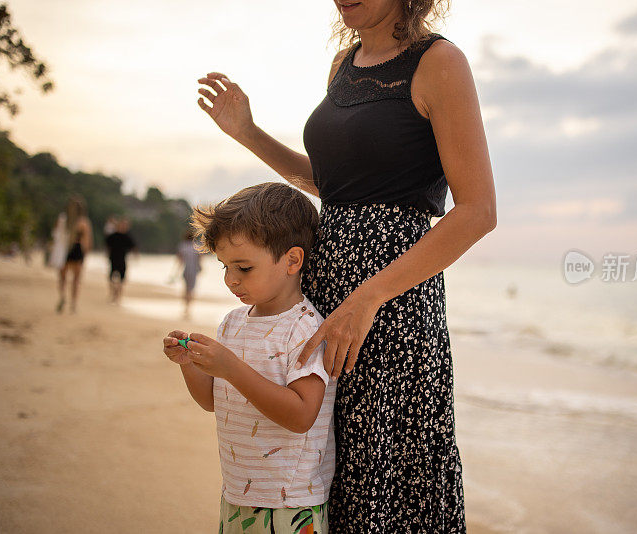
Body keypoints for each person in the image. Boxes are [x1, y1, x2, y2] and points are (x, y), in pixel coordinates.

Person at [196, 1, 497, 530]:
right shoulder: (343, 63)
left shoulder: (439, 62)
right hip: (322, 286)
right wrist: (247, 131)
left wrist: (367, 297)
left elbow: (477, 211)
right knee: (313, 464)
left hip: (390, 304)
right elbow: (332, 183)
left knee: (380, 477)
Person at [162, 182, 335, 534]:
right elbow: (213, 401)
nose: (230, 279)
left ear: (292, 260)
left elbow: (302, 415)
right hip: (239, 490)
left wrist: (230, 367)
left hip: (290, 501)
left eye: (244, 268)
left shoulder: (304, 329)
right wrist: (191, 364)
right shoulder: (233, 323)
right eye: (225, 266)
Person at [57, 195, 93, 314]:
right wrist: (85, 255)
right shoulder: (83, 222)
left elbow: (56, 236)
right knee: (76, 280)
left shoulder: (63, 219)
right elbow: (87, 241)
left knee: (63, 277)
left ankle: (63, 297)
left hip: (65, 250)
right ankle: (73, 303)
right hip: (76, 250)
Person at [104, 217, 136, 304]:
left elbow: (133, 247)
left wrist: (136, 256)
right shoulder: (112, 236)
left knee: (121, 279)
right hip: (113, 259)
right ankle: (113, 293)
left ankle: (118, 297)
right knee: (111, 278)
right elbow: (107, 246)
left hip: (122, 260)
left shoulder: (128, 237)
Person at [177, 229, 202, 318]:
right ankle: (188, 308)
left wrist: (176, 272)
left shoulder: (182, 246)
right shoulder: (196, 246)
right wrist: (201, 268)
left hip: (186, 270)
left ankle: (185, 307)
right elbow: (200, 259)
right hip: (194, 271)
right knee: (191, 290)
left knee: (186, 289)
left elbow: (179, 260)